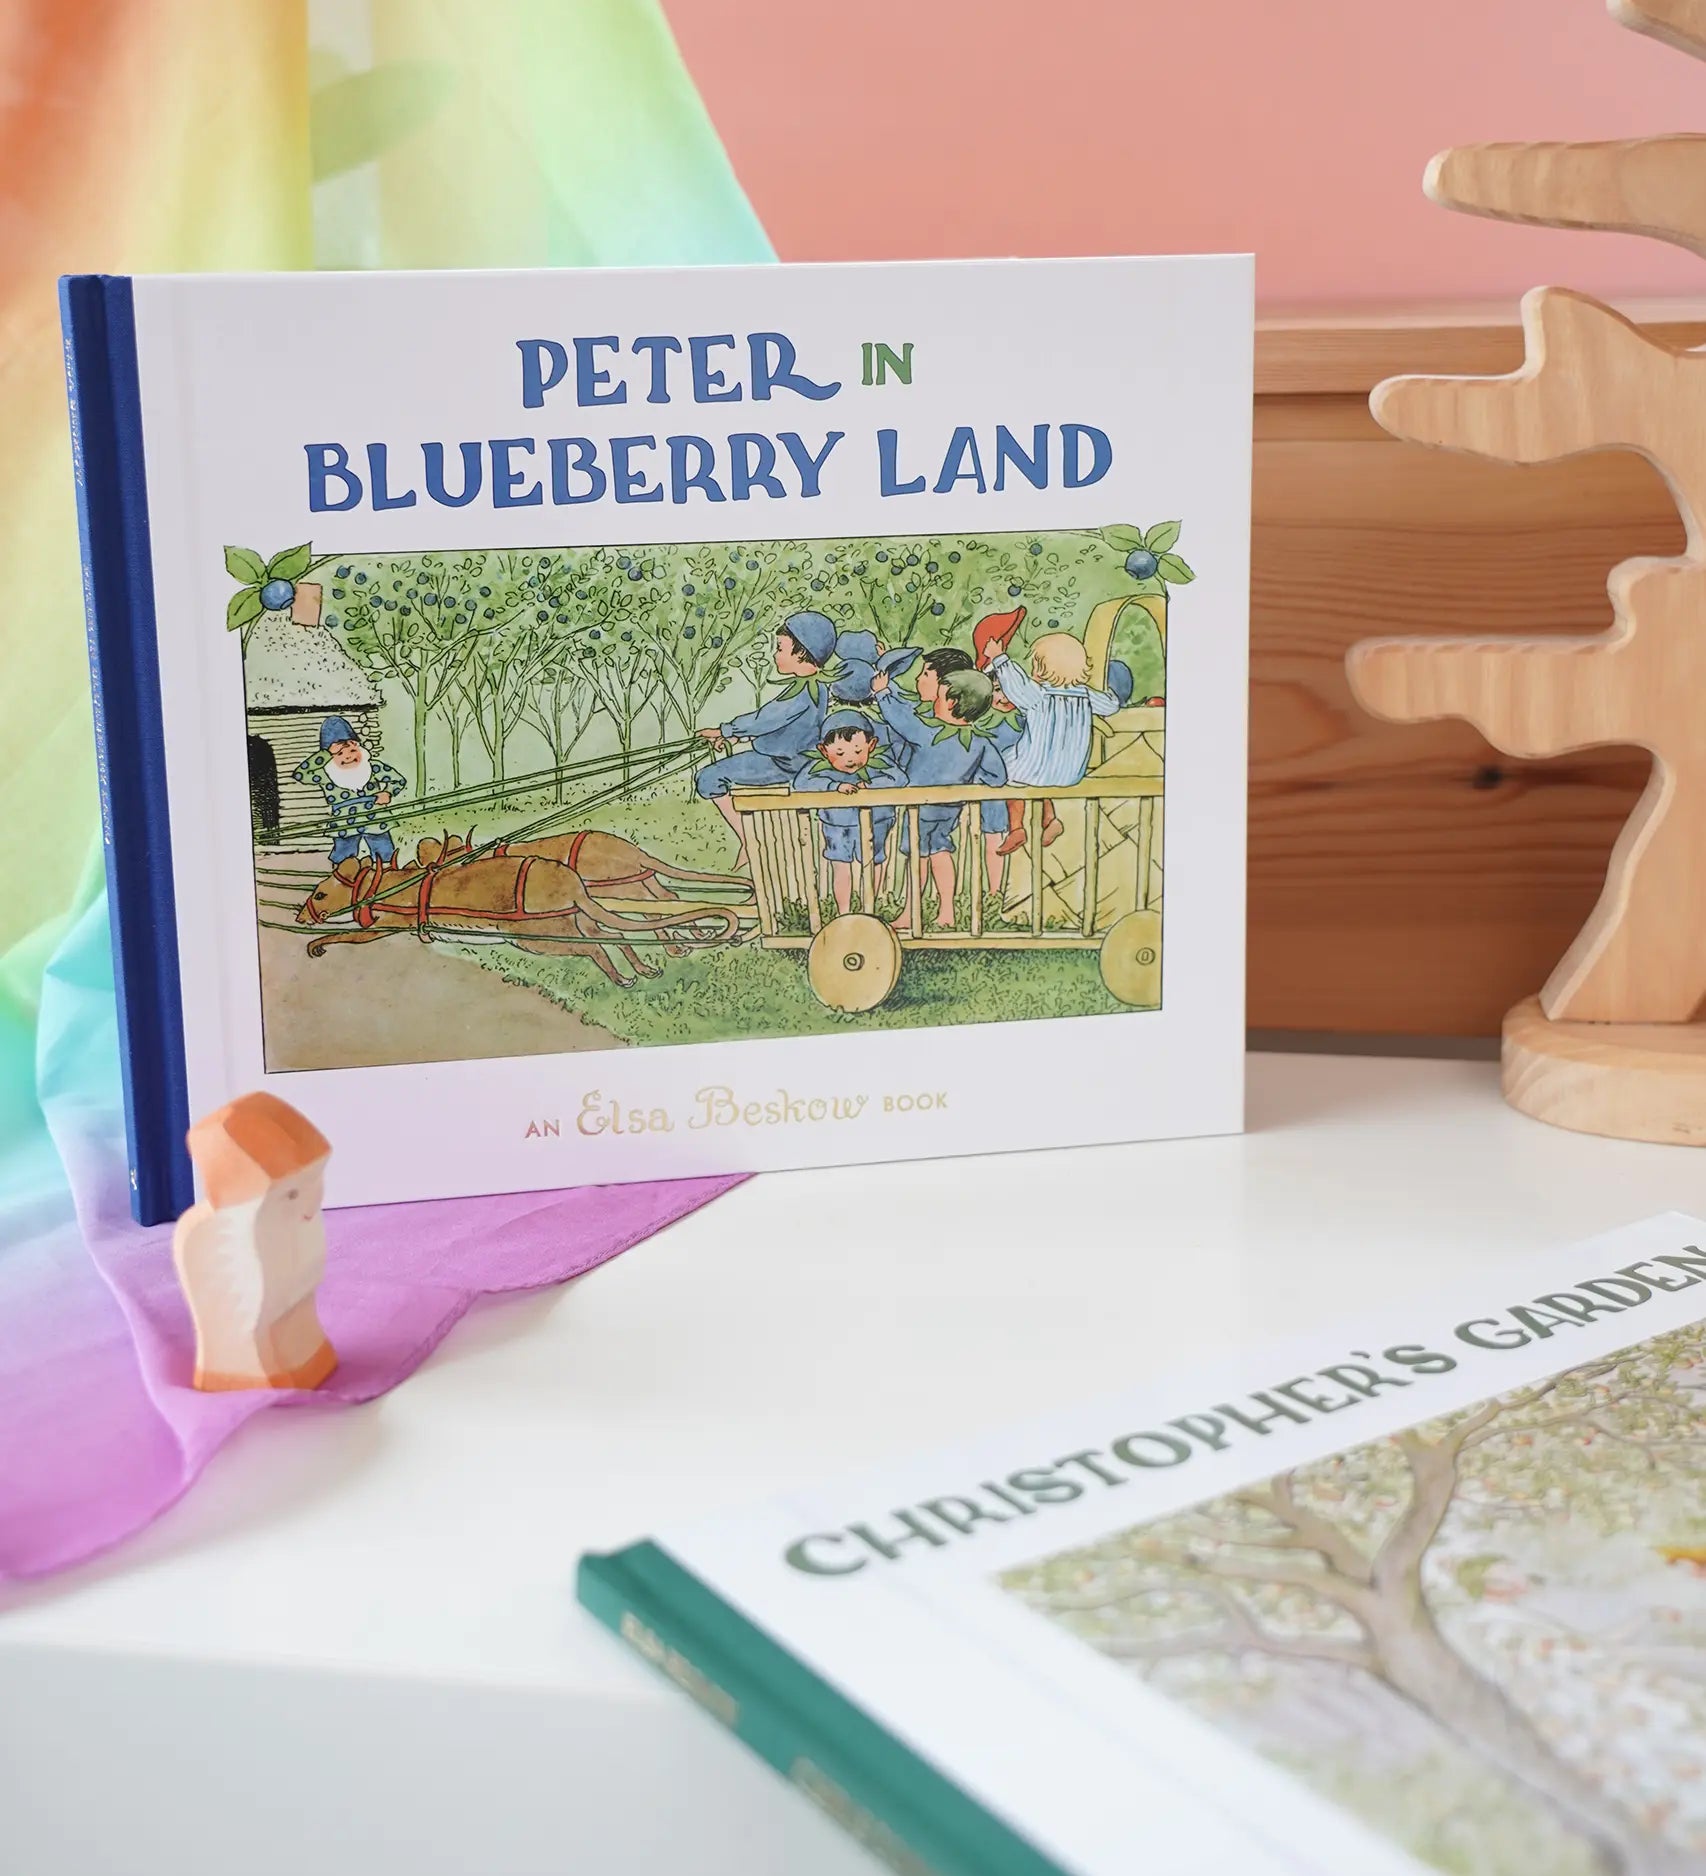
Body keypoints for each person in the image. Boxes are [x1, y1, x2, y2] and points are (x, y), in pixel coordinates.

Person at [695, 609, 842, 864]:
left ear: (801, 653)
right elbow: (780, 726)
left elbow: (769, 718)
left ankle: (750, 840)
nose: (775, 655)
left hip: (783, 763)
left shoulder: (803, 690)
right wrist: (736, 738)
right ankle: (750, 839)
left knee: (709, 778)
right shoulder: (812, 686)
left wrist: (726, 730)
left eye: (780, 648)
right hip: (784, 758)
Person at [872, 663, 1005, 931]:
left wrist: (882, 693)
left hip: (918, 811)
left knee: (917, 860)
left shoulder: (929, 732)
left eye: (940, 697)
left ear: (953, 702)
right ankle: (946, 912)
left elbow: (901, 722)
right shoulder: (979, 742)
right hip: (949, 811)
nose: (935, 703)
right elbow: (997, 777)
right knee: (941, 853)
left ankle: (912, 911)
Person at [974, 616, 1119, 847]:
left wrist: (999, 658)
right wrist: (1112, 691)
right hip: (1071, 772)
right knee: (1034, 773)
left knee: (1005, 770)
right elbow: (1111, 706)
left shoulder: (1038, 696)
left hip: (1033, 768)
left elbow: (1015, 685)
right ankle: (1050, 819)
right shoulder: (1085, 695)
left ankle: (1017, 827)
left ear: (1041, 669)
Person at [795, 709, 904, 914]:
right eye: (840, 753)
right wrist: (832, 786)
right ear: (823, 751)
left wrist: (870, 786)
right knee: (840, 867)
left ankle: (868, 909)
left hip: (876, 822)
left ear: (871, 746)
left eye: (857, 751)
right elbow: (801, 783)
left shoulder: (880, 765)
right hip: (837, 825)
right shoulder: (819, 768)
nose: (850, 759)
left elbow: (899, 778)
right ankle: (843, 912)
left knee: (873, 863)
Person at [293, 715, 406, 867]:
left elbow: (398, 780)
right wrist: (325, 753)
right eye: (339, 754)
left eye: (352, 750)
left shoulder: (372, 767)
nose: (348, 757)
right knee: (344, 858)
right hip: (344, 824)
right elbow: (300, 774)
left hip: (376, 819)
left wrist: (388, 793)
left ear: (358, 748)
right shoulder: (326, 774)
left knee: (384, 853)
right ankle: (344, 884)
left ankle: (387, 880)